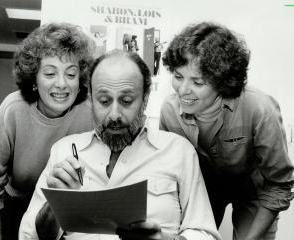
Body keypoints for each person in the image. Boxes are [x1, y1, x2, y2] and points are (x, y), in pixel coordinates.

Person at [19, 49, 221, 240]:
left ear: (145, 99)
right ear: (91, 99)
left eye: (126, 100)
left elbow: (205, 233)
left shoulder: (179, 151)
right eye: (104, 101)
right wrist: (56, 203)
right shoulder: (64, 151)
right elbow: (29, 236)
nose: (114, 115)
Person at [160, 21, 294, 240]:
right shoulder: (170, 110)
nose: (183, 90)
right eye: (178, 76)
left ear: (222, 82)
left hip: (254, 193)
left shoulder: (260, 108)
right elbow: (172, 177)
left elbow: (278, 184)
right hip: (204, 190)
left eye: (198, 81)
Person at [0, 22, 95, 240]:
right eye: (50, 73)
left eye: (71, 74)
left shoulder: (90, 114)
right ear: (34, 79)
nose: (61, 84)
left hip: (61, 213)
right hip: (12, 210)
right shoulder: (13, 109)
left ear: (81, 79)